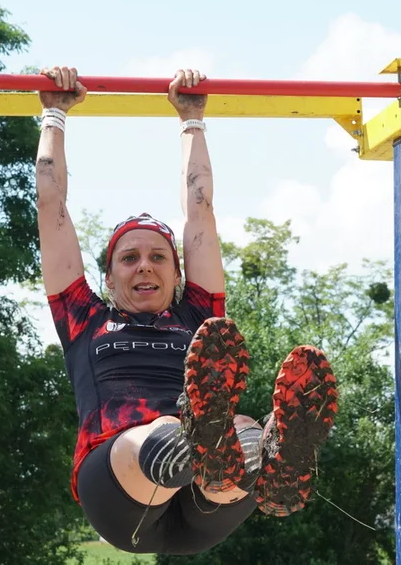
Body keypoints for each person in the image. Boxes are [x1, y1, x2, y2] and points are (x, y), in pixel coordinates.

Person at [35, 65, 338, 555]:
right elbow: (51, 204)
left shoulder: (197, 316)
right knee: (175, 429)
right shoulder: (83, 317)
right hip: (120, 490)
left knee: (243, 430)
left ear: (177, 275)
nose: (144, 267)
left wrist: (192, 118)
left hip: (207, 509)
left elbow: (201, 209)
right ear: (108, 279)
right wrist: (54, 113)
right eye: (129, 259)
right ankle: (207, 441)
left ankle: (273, 457)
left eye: (158, 257)